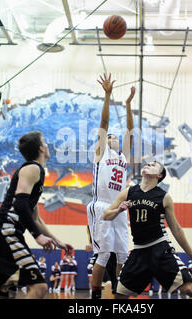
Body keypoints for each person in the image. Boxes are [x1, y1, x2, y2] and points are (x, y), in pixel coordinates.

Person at [103, 161, 192, 299]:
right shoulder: (129, 192)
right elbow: (106, 215)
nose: (148, 164)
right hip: (138, 251)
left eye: (153, 165)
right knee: (120, 294)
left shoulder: (164, 197)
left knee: (189, 289)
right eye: (148, 164)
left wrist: (191, 254)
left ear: (159, 175)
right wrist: (119, 209)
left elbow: (176, 229)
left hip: (159, 249)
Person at [0, 130, 73, 299]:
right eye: (45, 142)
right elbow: (20, 203)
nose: (47, 145)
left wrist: (58, 241)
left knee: (2, 293)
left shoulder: (36, 172)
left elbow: (35, 218)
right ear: (41, 148)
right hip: (5, 233)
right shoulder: (32, 168)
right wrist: (37, 236)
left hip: (0, 236)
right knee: (39, 287)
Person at [87, 73, 135, 299]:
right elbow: (104, 123)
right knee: (104, 254)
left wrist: (128, 105)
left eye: (116, 138)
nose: (114, 138)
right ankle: (95, 295)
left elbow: (130, 132)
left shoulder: (123, 157)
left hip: (119, 208)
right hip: (101, 206)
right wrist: (108, 95)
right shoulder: (101, 152)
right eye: (111, 137)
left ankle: (119, 291)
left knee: (123, 255)